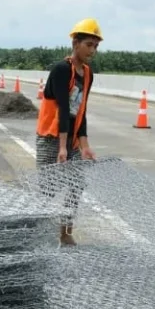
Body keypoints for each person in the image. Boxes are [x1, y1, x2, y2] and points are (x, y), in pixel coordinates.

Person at [37, 18, 101, 245]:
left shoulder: (87, 73)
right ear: (76, 44)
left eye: (95, 46)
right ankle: (36, 232)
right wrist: (62, 147)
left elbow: (80, 110)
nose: (92, 50)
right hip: (51, 136)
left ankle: (66, 233)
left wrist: (84, 146)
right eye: (88, 45)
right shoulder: (62, 70)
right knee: (48, 188)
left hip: (71, 139)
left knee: (76, 185)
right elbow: (64, 108)